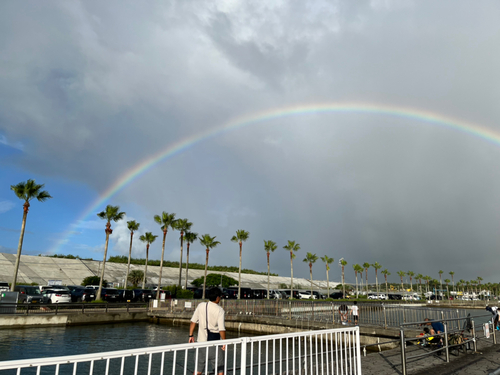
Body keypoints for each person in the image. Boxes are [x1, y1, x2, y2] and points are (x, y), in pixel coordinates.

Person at [189, 288, 226, 375]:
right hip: (215, 344)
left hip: (201, 343)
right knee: (219, 371)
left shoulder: (201, 305)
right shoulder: (220, 310)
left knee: (198, 370)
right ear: (217, 298)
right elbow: (221, 329)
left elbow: (193, 321)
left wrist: (191, 335)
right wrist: (224, 342)